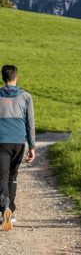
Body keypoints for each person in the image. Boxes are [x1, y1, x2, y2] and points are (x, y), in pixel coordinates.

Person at [0, 64, 35, 232]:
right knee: (12, 177)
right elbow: (30, 123)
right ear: (16, 77)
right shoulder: (26, 96)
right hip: (19, 142)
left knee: (1, 177)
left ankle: (4, 208)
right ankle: (10, 211)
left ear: (3, 78)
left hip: (2, 142)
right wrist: (32, 146)